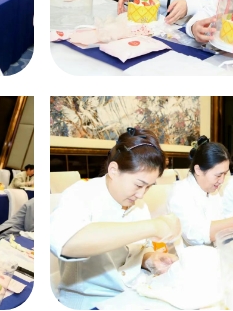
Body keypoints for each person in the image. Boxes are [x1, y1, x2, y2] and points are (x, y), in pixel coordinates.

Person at [51, 129, 181, 309]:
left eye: (148, 187)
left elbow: (138, 249)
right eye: (139, 184)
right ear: (113, 170)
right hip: (92, 301)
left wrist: (150, 259)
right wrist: (152, 227)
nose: (141, 194)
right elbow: (67, 244)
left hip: (134, 293)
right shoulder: (80, 194)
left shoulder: (138, 205)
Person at [167, 136, 233, 246]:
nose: (222, 180)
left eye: (225, 174)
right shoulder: (180, 192)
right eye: (218, 175)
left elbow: (221, 222)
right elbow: (195, 236)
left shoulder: (213, 191)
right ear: (198, 170)